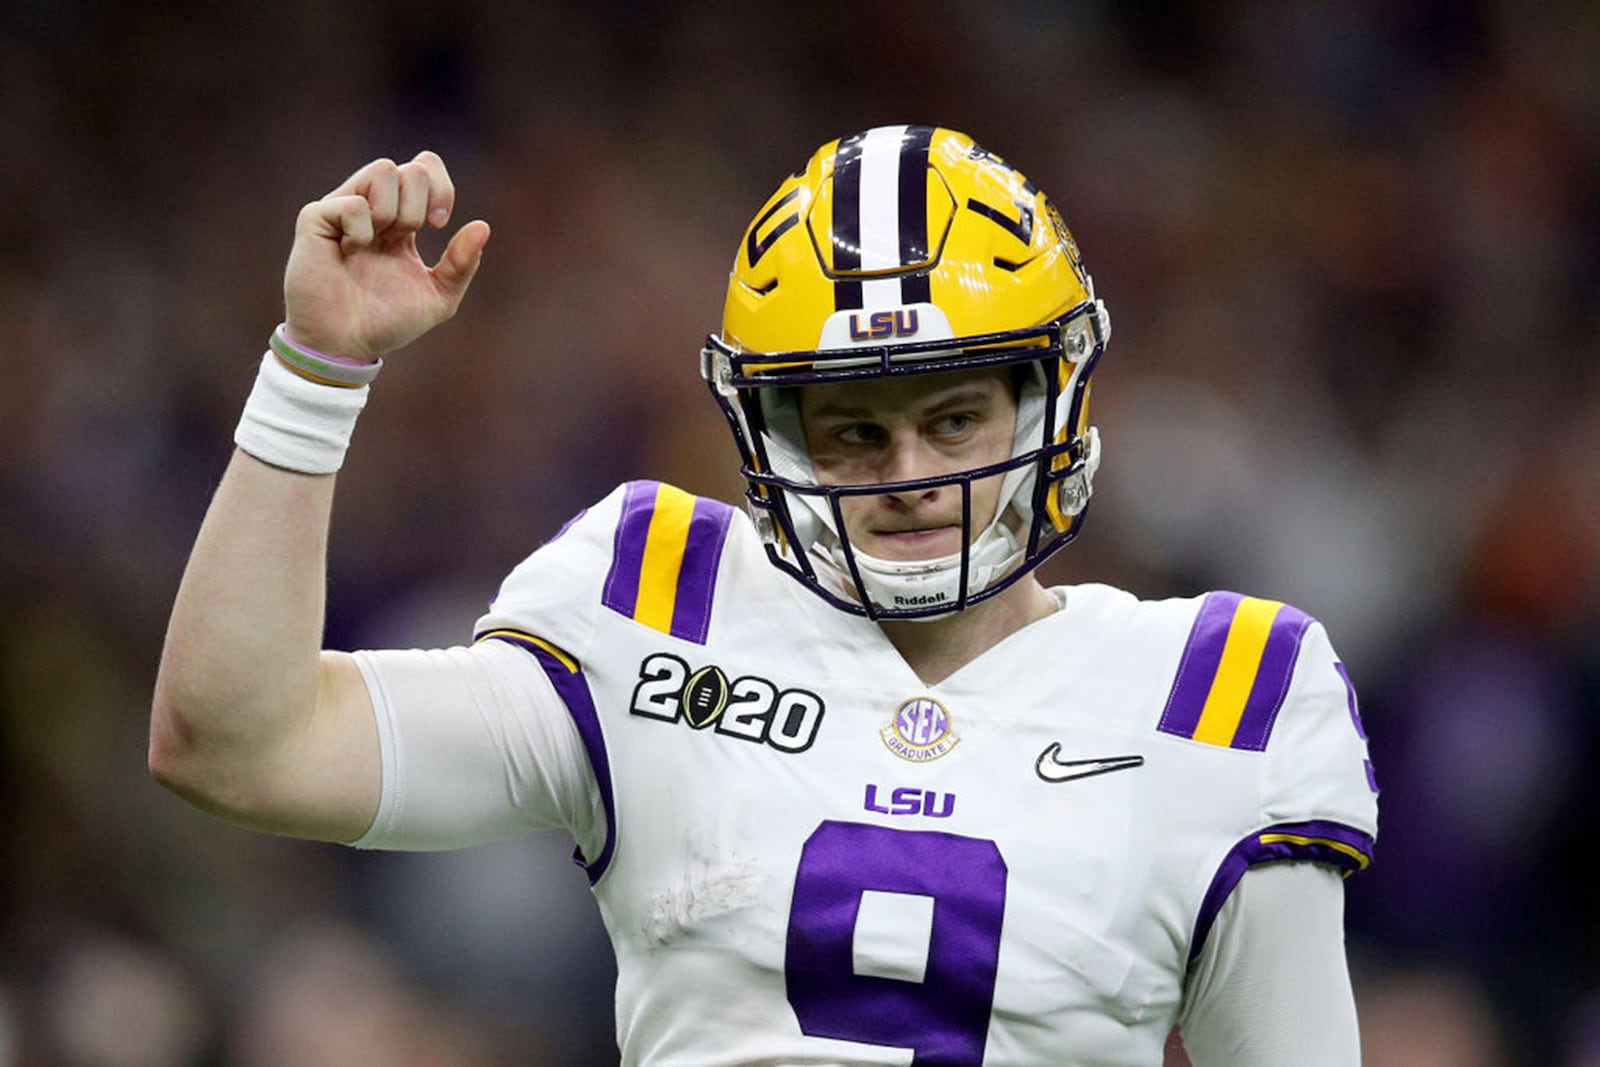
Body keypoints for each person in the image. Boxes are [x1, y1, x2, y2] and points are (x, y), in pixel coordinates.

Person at [150, 126, 1379, 1065]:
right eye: (852, 429)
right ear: (771, 432)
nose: (907, 476)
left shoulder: (1223, 699)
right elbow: (235, 742)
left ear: (1044, 401)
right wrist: (317, 372)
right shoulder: (655, 599)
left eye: (953, 417)